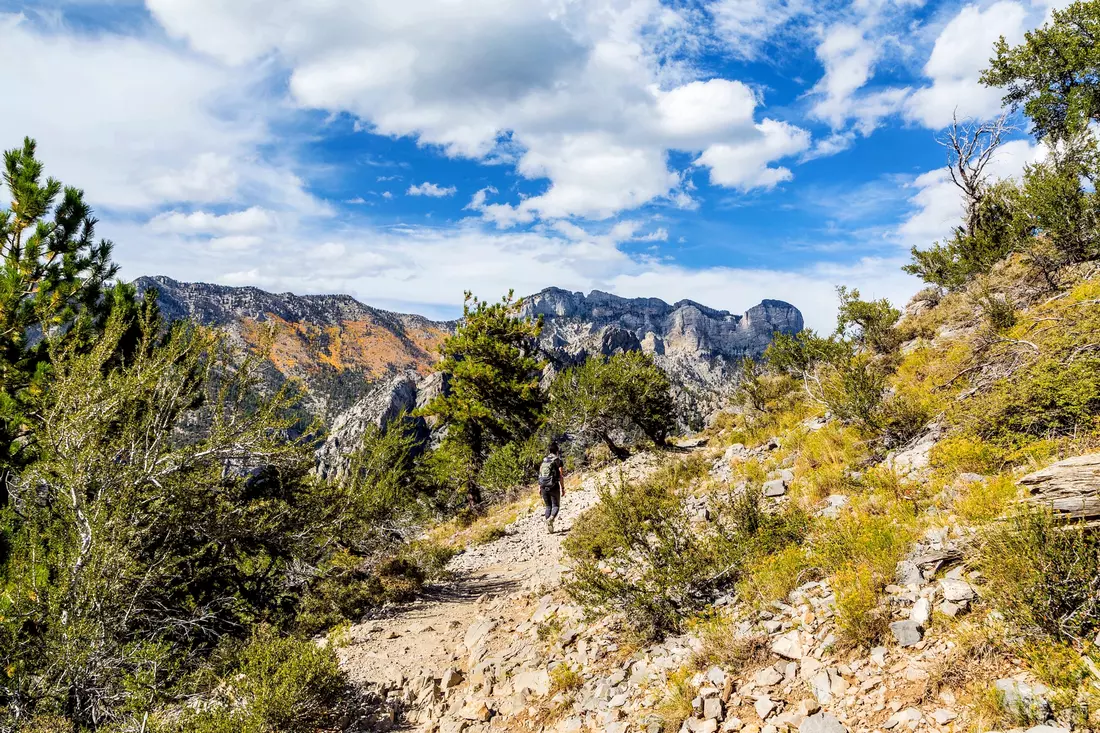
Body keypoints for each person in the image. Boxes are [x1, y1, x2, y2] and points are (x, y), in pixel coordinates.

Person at [537, 441, 565, 534]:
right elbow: (561, 476)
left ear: (549, 451)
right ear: (557, 451)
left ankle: (549, 524)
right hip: (553, 485)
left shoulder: (544, 460)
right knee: (556, 505)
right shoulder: (558, 461)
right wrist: (563, 488)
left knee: (548, 506)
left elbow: (540, 473)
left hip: (543, 486)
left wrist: (539, 487)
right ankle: (551, 519)